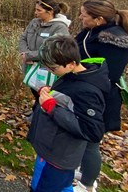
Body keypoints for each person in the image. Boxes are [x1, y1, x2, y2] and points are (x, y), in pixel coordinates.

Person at [74, 0, 128, 191]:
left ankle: (87, 185)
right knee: (80, 137)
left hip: (100, 99)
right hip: (82, 91)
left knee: (91, 143)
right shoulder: (90, 31)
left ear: (99, 19)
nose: (80, 17)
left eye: (84, 14)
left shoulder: (116, 43)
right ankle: (81, 170)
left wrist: (77, 70)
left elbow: (108, 76)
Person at [27, 35, 108, 192]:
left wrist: (52, 108)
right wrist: (50, 93)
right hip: (50, 150)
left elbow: (91, 130)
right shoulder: (72, 75)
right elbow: (68, 102)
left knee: (49, 187)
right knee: (40, 185)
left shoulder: (88, 91)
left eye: (54, 68)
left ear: (71, 63)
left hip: (59, 156)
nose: (51, 71)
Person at [19, 0, 71, 112]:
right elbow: (23, 38)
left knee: (45, 92)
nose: (35, 13)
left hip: (46, 68)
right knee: (34, 89)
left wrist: (30, 56)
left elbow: (54, 49)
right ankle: (37, 110)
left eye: (39, 10)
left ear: (50, 12)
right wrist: (24, 53)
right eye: (35, 10)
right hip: (30, 65)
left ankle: (43, 113)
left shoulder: (60, 27)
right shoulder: (34, 22)